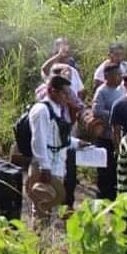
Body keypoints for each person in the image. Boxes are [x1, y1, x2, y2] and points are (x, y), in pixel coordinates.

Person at [26, 75, 82, 224]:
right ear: (52, 91)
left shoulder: (57, 109)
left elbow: (56, 139)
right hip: (45, 167)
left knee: (51, 208)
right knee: (41, 208)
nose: (67, 97)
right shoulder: (41, 110)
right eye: (64, 93)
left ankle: (45, 243)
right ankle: (38, 244)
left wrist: (77, 143)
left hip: (56, 165)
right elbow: (39, 140)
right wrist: (45, 167)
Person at [91, 64, 125, 200]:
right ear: (107, 76)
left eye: (120, 74)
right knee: (106, 169)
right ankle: (103, 197)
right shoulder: (102, 91)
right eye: (117, 74)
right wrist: (114, 113)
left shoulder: (120, 90)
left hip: (118, 136)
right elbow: (96, 111)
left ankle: (113, 197)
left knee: (115, 168)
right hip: (105, 136)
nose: (120, 77)